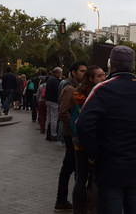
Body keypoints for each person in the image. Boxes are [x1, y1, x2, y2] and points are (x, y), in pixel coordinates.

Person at [77, 46, 136, 214]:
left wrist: (94, 152)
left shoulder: (102, 89)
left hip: (110, 166)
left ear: (111, 65)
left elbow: (82, 124)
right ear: (133, 65)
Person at [70, 65, 106, 214]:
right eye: (99, 76)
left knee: (85, 177)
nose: (103, 78)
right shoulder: (86, 95)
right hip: (86, 142)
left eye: (104, 75)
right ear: (91, 78)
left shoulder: (98, 93)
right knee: (83, 177)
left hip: (84, 140)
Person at [55, 62, 88, 211]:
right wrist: (74, 127)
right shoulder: (70, 88)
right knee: (69, 167)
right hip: (70, 135)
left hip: (72, 134)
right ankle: (62, 200)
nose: (84, 73)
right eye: (81, 71)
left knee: (70, 167)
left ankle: (63, 200)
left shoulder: (79, 87)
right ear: (73, 72)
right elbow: (63, 112)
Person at [45, 67, 63, 141]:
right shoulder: (55, 81)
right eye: (60, 73)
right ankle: (53, 134)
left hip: (48, 100)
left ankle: (48, 133)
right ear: (56, 73)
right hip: (54, 101)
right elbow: (58, 91)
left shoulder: (50, 79)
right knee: (54, 118)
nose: (61, 74)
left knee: (49, 117)